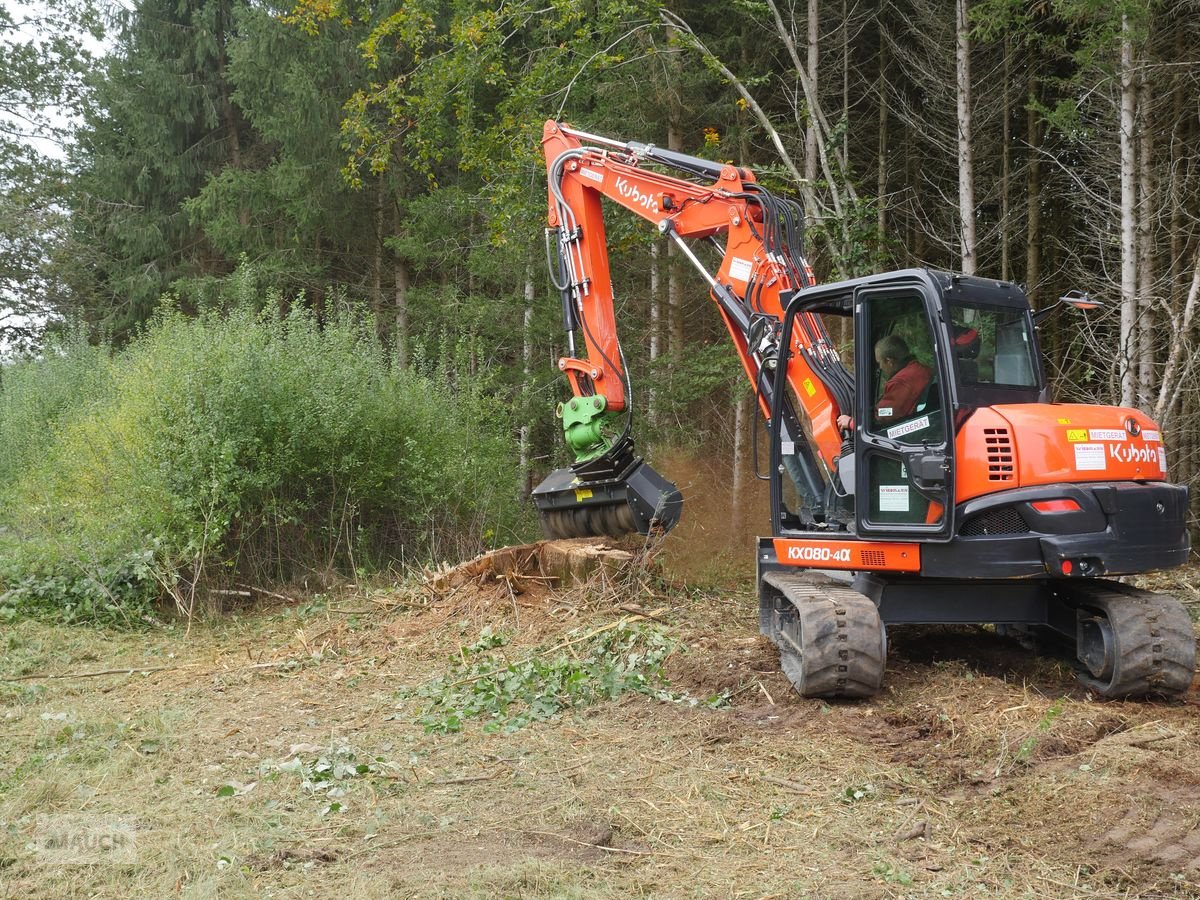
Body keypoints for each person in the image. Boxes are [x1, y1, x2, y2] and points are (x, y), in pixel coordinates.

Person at [836, 334, 933, 431]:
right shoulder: (921, 370)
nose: (880, 367)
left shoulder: (900, 382)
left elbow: (883, 417)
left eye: (879, 363)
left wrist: (851, 423)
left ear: (889, 361)